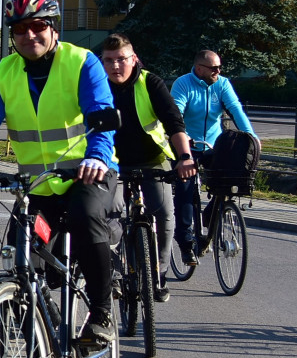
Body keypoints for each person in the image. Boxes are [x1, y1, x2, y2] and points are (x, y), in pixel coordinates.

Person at [0, 0, 119, 344]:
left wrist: (97, 155)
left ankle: (101, 314)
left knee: (86, 216)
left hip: (86, 175)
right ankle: (33, 352)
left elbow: (100, 117)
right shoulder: (4, 72)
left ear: (53, 28)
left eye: (37, 26)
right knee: (21, 254)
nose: (29, 35)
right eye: (19, 29)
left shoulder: (82, 63)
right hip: (37, 187)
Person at [100, 34, 196, 303]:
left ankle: (159, 273)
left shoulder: (149, 82)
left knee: (164, 212)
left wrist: (185, 157)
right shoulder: (97, 85)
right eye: (109, 61)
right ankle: (115, 274)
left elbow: (174, 122)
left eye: (121, 59)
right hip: (112, 161)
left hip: (152, 159)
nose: (115, 66)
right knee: (111, 213)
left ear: (134, 59)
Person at [170, 50, 259, 266]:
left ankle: (212, 214)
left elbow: (236, 110)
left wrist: (251, 136)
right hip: (188, 145)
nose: (218, 71)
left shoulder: (222, 84)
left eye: (220, 67)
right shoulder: (183, 84)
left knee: (228, 183)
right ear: (199, 68)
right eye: (213, 68)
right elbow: (176, 113)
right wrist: (184, 139)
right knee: (185, 191)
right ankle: (185, 242)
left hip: (214, 145)